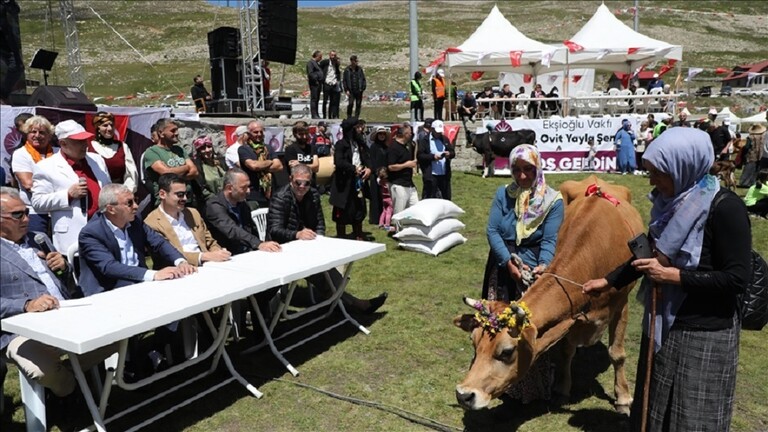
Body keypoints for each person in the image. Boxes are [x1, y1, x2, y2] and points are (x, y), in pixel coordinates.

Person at [583, 127, 750, 432]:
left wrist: (675, 277)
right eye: (650, 172)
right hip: (663, 324)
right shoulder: (669, 204)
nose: (651, 181)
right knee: (657, 410)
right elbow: (649, 254)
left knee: (692, 417)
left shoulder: (726, 208)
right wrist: (608, 282)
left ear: (683, 167)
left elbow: (737, 279)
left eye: (658, 173)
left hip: (704, 332)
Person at [1, 187, 115, 417]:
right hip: (20, 328)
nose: (26, 219)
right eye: (17, 215)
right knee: (40, 370)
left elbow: (67, 284)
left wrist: (63, 268)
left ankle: (64, 387)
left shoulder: (38, 239)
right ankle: (70, 389)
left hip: (64, 313)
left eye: (26, 213)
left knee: (116, 337)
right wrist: (26, 305)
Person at [481, 145, 564, 403]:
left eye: (528, 169)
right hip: (502, 267)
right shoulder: (503, 194)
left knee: (526, 328)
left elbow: (549, 239)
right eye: (516, 169)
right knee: (498, 325)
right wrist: (508, 262)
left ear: (538, 168)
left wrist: (543, 265)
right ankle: (495, 381)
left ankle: (532, 390)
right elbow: (493, 231)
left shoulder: (553, 201)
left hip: (531, 270)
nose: (522, 176)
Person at [267, 164, 388, 314]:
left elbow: (319, 222)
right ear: (291, 179)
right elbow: (275, 230)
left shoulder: (313, 195)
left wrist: (319, 240)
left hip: (306, 246)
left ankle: (339, 300)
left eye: (306, 183)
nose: (302, 187)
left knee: (332, 264)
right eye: (298, 182)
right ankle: (356, 305)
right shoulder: (280, 197)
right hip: (282, 249)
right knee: (324, 274)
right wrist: (297, 234)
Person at [78, 183, 195, 297]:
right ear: (111, 209)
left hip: (140, 285)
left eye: (136, 200)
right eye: (129, 203)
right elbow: (109, 267)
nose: (136, 206)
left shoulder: (135, 221)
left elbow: (159, 242)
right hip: (108, 292)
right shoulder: (91, 234)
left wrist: (180, 261)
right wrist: (154, 275)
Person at [32, 120, 111, 253]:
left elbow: (108, 188)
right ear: (63, 143)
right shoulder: (46, 166)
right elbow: (38, 202)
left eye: (85, 140)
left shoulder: (97, 160)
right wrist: (68, 195)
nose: (85, 145)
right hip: (74, 235)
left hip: (104, 230)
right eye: (79, 142)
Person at [144, 174, 231, 267]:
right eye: (180, 195)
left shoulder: (193, 213)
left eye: (187, 194)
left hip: (208, 265)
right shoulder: (152, 223)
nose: (185, 199)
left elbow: (209, 241)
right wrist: (202, 257)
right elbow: (167, 255)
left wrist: (218, 252)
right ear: (162, 194)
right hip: (178, 270)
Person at [205, 168, 282, 254]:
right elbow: (232, 230)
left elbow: (252, 230)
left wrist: (263, 244)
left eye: (248, 186)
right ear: (229, 188)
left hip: (249, 250)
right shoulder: (214, 206)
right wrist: (258, 244)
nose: (248, 191)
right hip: (228, 253)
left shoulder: (242, 204)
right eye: (243, 188)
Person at [11, 115, 57, 234]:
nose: (37, 135)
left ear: (49, 135)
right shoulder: (20, 154)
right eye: (33, 132)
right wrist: (61, 191)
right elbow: (28, 184)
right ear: (27, 133)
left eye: (42, 132)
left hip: (58, 210)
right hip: (35, 212)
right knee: (37, 244)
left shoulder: (58, 153)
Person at [329, 117, 371, 240]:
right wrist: (353, 168)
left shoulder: (360, 144)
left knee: (359, 208)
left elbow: (367, 158)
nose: (360, 130)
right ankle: (341, 236)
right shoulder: (341, 144)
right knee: (342, 211)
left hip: (358, 182)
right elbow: (339, 161)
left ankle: (358, 234)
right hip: (344, 183)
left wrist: (369, 168)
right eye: (357, 128)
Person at [143, 118, 198, 208]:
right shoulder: (152, 152)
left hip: (187, 201)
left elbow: (195, 172)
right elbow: (166, 173)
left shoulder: (179, 150)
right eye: (173, 130)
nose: (177, 133)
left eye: (177, 130)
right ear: (161, 133)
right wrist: (186, 168)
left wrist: (173, 176)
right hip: (167, 204)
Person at [89, 111, 138, 192]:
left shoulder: (122, 147)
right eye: (105, 125)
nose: (110, 129)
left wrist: (125, 192)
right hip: (98, 193)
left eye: (111, 125)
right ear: (98, 128)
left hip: (120, 193)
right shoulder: (89, 148)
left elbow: (131, 174)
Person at [239, 120, 283, 210]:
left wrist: (261, 165)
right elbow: (253, 166)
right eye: (255, 132)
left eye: (261, 132)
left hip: (271, 194)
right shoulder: (243, 149)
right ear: (249, 133)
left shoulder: (268, 148)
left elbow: (279, 166)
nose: (259, 134)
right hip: (253, 195)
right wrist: (270, 162)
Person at [417, 119, 455, 200]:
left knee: (446, 197)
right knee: (429, 197)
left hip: (444, 174)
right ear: (432, 129)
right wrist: (433, 157)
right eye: (437, 132)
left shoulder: (445, 139)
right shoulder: (425, 141)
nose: (438, 134)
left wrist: (449, 154)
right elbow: (420, 156)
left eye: (440, 132)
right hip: (431, 175)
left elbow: (452, 152)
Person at [387, 126, 419, 215]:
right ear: (404, 134)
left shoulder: (406, 146)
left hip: (409, 184)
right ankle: (396, 225)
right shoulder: (393, 147)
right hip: (398, 184)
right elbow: (390, 167)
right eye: (410, 133)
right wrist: (406, 165)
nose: (411, 135)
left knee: (415, 210)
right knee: (399, 213)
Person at [191, 135, 226, 209]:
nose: (207, 150)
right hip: (212, 204)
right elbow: (202, 190)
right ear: (198, 151)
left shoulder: (221, 162)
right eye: (203, 148)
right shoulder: (198, 167)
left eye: (209, 147)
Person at [367, 126, 390, 225]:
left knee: (385, 196)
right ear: (376, 135)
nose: (382, 135)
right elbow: (372, 161)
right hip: (375, 175)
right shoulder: (373, 147)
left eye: (384, 134)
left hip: (385, 175)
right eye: (380, 134)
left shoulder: (386, 147)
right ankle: (375, 218)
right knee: (375, 197)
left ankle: (385, 217)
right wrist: (378, 173)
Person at [320, 50, 342, 119]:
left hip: (334, 83)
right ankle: (324, 115)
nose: (333, 57)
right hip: (327, 83)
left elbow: (338, 72)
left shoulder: (336, 64)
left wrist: (337, 81)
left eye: (334, 55)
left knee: (332, 101)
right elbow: (320, 68)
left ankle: (330, 115)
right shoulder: (325, 62)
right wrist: (322, 79)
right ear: (329, 55)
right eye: (332, 55)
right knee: (325, 100)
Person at [306, 50, 324, 119]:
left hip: (319, 84)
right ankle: (314, 114)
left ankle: (317, 114)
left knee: (317, 99)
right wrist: (316, 79)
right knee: (314, 99)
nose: (321, 59)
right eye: (320, 57)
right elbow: (310, 73)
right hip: (314, 84)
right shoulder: (310, 63)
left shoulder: (317, 63)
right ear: (317, 56)